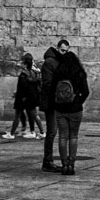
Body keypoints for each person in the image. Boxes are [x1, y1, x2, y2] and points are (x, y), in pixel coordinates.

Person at [50, 43, 90, 175]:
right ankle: (71, 164)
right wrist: (77, 101)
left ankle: (64, 164)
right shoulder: (79, 72)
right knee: (73, 136)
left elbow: (52, 91)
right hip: (75, 109)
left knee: (62, 137)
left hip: (60, 109)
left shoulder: (58, 72)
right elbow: (86, 91)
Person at [38, 46, 61, 170]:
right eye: (62, 50)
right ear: (57, 49)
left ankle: (49, 160)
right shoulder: (49, 62)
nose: (64, 53)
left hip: (57, 101)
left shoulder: (57, 61)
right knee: (52, 131)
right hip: (51, 101)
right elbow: (48, 83)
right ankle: (47, 161)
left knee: (54, 131)